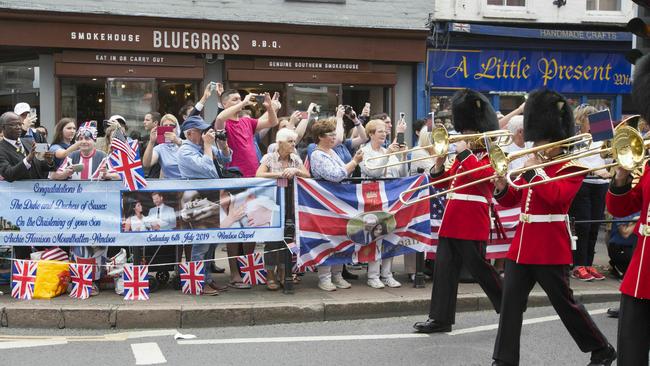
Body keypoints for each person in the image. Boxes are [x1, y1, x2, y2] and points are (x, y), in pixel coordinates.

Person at [491, 88, 615, 366]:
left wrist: (536, 170)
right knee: (510, 306)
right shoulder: (534, 163)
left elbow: (557, 199)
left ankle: (601, 348)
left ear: (558, 138)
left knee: (565, 305)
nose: (539, 144)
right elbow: (515, 197)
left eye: (544, 140)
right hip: (521, 247)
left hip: (549, 245)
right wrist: (501, 185)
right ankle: (504, 360)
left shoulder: (572, 167)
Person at [414, 89, 503, 333]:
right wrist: (440, 163)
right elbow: (445, 183)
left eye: (468, 132)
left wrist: (464, 153)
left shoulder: (491, 154)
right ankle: (440, 319)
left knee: (480, 269)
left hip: (472, 220)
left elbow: (484, 178)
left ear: (481, 131)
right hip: (452, 219)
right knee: (444, 271)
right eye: (463, 132)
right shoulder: (465, 157)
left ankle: (508, 303)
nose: (463, 136)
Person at [605, 53, 650, 366]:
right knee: (630, 355)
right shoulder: (647, 160)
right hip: (641, 271)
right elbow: (624, 205)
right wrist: (621, 175)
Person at [49, 121, 116, 295]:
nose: (85, 141)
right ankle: (81, 280)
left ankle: (94, 280)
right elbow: (53, 176)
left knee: (98, 246)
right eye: (81, 138)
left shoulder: (102, 156)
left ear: (94, 140)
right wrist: (65, 174)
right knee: (79, 245)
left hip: (98, 209)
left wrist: (107, 175)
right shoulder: (73, 156)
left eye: (88, 138)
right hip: (76, 210)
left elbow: (119, 174)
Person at [177, 115, 232, 296]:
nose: (205, 134)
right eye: (201, 131)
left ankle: (207, 278)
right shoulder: (185, 151)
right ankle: (198, 283)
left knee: (211, 243)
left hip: (211, 199)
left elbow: (225, 160)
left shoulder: (201, 146)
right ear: (190, 133)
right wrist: (208, 145)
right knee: (200, 244)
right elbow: (207, 168)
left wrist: (223, 146)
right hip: (197, 201)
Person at [309, 118, 363, 291]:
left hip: (340, 201)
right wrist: (354, 161)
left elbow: (343, 172)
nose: (334, 137)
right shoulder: (317, 154)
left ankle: (337, 275)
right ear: (320, 137)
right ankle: (324, 278)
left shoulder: (332, 152)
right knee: (327, 241)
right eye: (330, 134)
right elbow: (336, 175)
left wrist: (352, 162)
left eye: (334, 133)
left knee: (341, 238)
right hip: (327, 203)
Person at [255, 128, 309, 290]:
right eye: (290, 141)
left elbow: (307, 175)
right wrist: (280, 174)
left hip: (291, 204)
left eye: (294, 141)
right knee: (272, 240)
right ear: (280, 143)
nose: (294, 144)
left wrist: (296, 171)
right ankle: (270, 274)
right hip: (272, 204)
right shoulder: (269, 157)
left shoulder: (295, 158)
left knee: (288, 238)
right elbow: (258, 174)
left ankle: (283, 271)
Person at [359, 118, 407, 289]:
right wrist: (388, 154)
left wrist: (402, 155)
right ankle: (373, 275)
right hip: (373, 199)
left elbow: (403, 172)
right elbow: (374, 172)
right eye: (380, 131)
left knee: (390, 236)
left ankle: (387, 274)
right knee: (374, 236)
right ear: (371, 134)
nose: (384, 134)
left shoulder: (388, 150)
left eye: (385, 131)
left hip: (391, 198)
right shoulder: (364, 151)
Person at [569, 104, 611, 281]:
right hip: (584, 184)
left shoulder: (603, 137)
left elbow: (609, 156)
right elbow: (574, 162)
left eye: (597, 120)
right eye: (590, 120)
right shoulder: (577, 139)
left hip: (601, 184)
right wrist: (594, 170)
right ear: (582, 121)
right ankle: (578, 265)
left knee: (594, 226)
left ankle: (589, 264)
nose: (594, 123)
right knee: (584, 226)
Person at [143, 114, 182, 179]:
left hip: (187, 184)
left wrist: (177, 142)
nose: (169, 128)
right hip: (169, 186)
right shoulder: (160, 148)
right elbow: (146, 164)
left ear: (177, 128)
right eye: (165, 126)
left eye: (172, 126)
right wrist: (151, 142)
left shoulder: (184, 143)